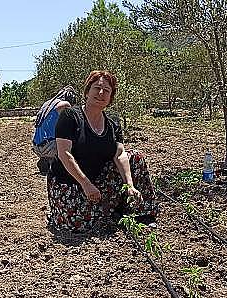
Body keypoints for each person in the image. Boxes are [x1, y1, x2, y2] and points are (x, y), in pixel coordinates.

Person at [46, 70, 158, 233]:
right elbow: (64, 154)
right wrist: (86, 184)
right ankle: (107, 208)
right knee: (80, 225)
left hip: (98, 178)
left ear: (111, 97)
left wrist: (129, 184)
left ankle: (142, 212)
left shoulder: (112, 121)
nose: (101, 93)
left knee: (135, 157)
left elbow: (119, 154)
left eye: (106, 90)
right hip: (69, 183)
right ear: (87, 91)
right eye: (96, 88)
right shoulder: (70, 116)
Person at [32, 86, 79, 175]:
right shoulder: (65, 104)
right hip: (49, 146)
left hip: (36, 145)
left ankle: (46, 158)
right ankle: (54, 159)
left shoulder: (48, 103)